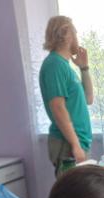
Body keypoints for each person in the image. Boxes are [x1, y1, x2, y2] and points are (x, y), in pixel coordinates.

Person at [40, 16, 94, 177]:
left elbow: (89, 99)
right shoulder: (54, 65)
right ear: (66, 34)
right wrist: (75, 144)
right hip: (68, 144)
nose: (77, 37)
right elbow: (58, 107)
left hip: (76, 142)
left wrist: (84, 68)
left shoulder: (64, 66)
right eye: (75, 33)